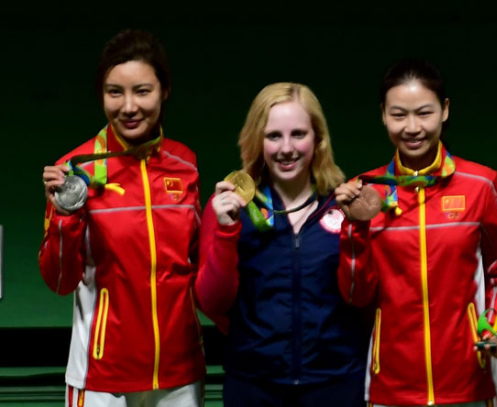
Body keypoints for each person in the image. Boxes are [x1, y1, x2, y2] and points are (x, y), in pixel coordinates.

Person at [336, 57, 497, 407]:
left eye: (424, 113)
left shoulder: (482, 185)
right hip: (391, 386)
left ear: (445, 110)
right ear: (382, 114)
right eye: (398, 114)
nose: (412, 127)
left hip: (472, 380)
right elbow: (356, 294)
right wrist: (354, 227)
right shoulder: (365, 194)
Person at [39, 29, 205, 407]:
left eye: (142, 91)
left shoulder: (186, 165)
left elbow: (197, 266)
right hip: (101, 375)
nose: (128, 107)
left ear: (164, 91)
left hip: (179, 372)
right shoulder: (74, 172)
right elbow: (61, 281)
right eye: (115, 92)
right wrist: (64, 216)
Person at [196, 82, 368, 406]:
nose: (286, 148)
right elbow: (212, 302)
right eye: (273, 136)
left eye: (298, 134)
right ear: (257, 141)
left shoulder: (344, 207)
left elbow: (365, 299)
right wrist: (225, 231)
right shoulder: (229, 208)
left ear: (318, 139)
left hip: (337, 384)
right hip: (254, 387)